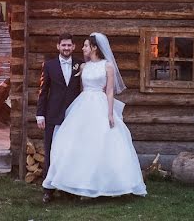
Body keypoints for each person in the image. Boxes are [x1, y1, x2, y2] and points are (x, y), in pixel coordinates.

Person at [41, 32, 147, 199]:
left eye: (85, 46)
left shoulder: (108, 66)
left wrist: (110, 113)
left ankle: (107, 183)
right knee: (76, 143)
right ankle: (73, 185)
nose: (82, 48)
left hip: (100, 103)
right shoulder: (83, 66)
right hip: (82, 105)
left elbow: (110, 91)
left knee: (103, 143)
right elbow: (80, 89)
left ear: (94, 48)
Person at [36, 32, 83, 204]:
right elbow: (43, 91)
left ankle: (69, 189)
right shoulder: (49, 65)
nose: (66, 48)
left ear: (73, 47)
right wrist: (40, 114)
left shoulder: (80, 65)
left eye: (69, 45)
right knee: (51, 151)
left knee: (71, 152)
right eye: (63, 45)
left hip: (73, 115)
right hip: (52, 114)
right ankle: (48, 189)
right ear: (58, 47)